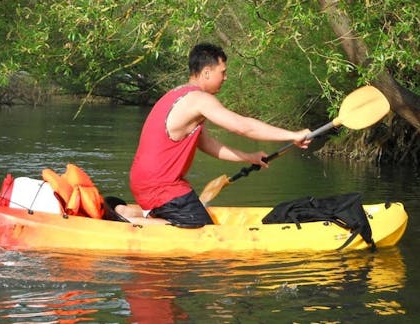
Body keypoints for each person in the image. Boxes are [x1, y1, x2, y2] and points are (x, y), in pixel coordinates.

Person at [117, 43, 311, 226]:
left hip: (145, 182)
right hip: (161, 187)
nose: (225, 78)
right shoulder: (199, 100)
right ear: (207, 72)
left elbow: (207, 144)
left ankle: (130, 213)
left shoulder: (178, 95)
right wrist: (292, 135)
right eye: (223, 72)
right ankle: (130, 222)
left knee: (197, 218)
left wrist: (249, 157)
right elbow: (242, 127)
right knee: (201, 227)